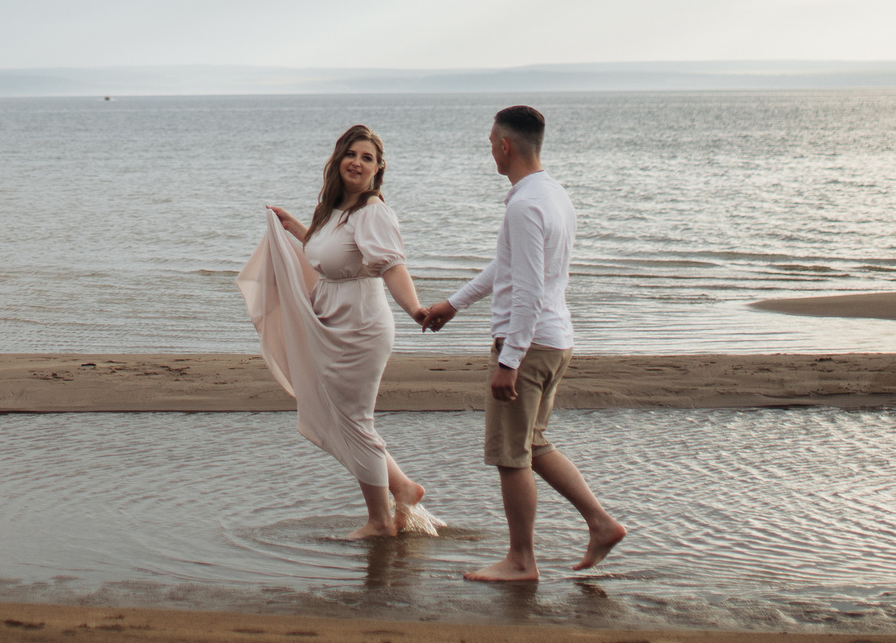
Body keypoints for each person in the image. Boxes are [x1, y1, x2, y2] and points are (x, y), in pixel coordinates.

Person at [417, 104, 627, 581]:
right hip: (556, 342)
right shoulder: (552, 195)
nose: (490, 150)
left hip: (529, 347)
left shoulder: (525, 204)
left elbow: (529, 290)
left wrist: (508, 360)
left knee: (510, 456)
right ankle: (601, 524)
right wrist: (454, 303)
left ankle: (521, 561)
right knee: (531, 444)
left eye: (492, 143)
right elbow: (509, 268)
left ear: (505, 146)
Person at [238, 124, 442, 539]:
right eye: (352, 153)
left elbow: (390, 264)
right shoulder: (332, 212)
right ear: (338, 159)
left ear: (377, 169)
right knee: (345, 416)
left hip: (361, 323)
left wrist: (415, 308)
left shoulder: (373, 212)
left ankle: (381, 521)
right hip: (331, 317)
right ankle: (402, 487)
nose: (358, 162)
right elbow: (325, 254)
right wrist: (296, 229)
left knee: (355, 419)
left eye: (367, 157)